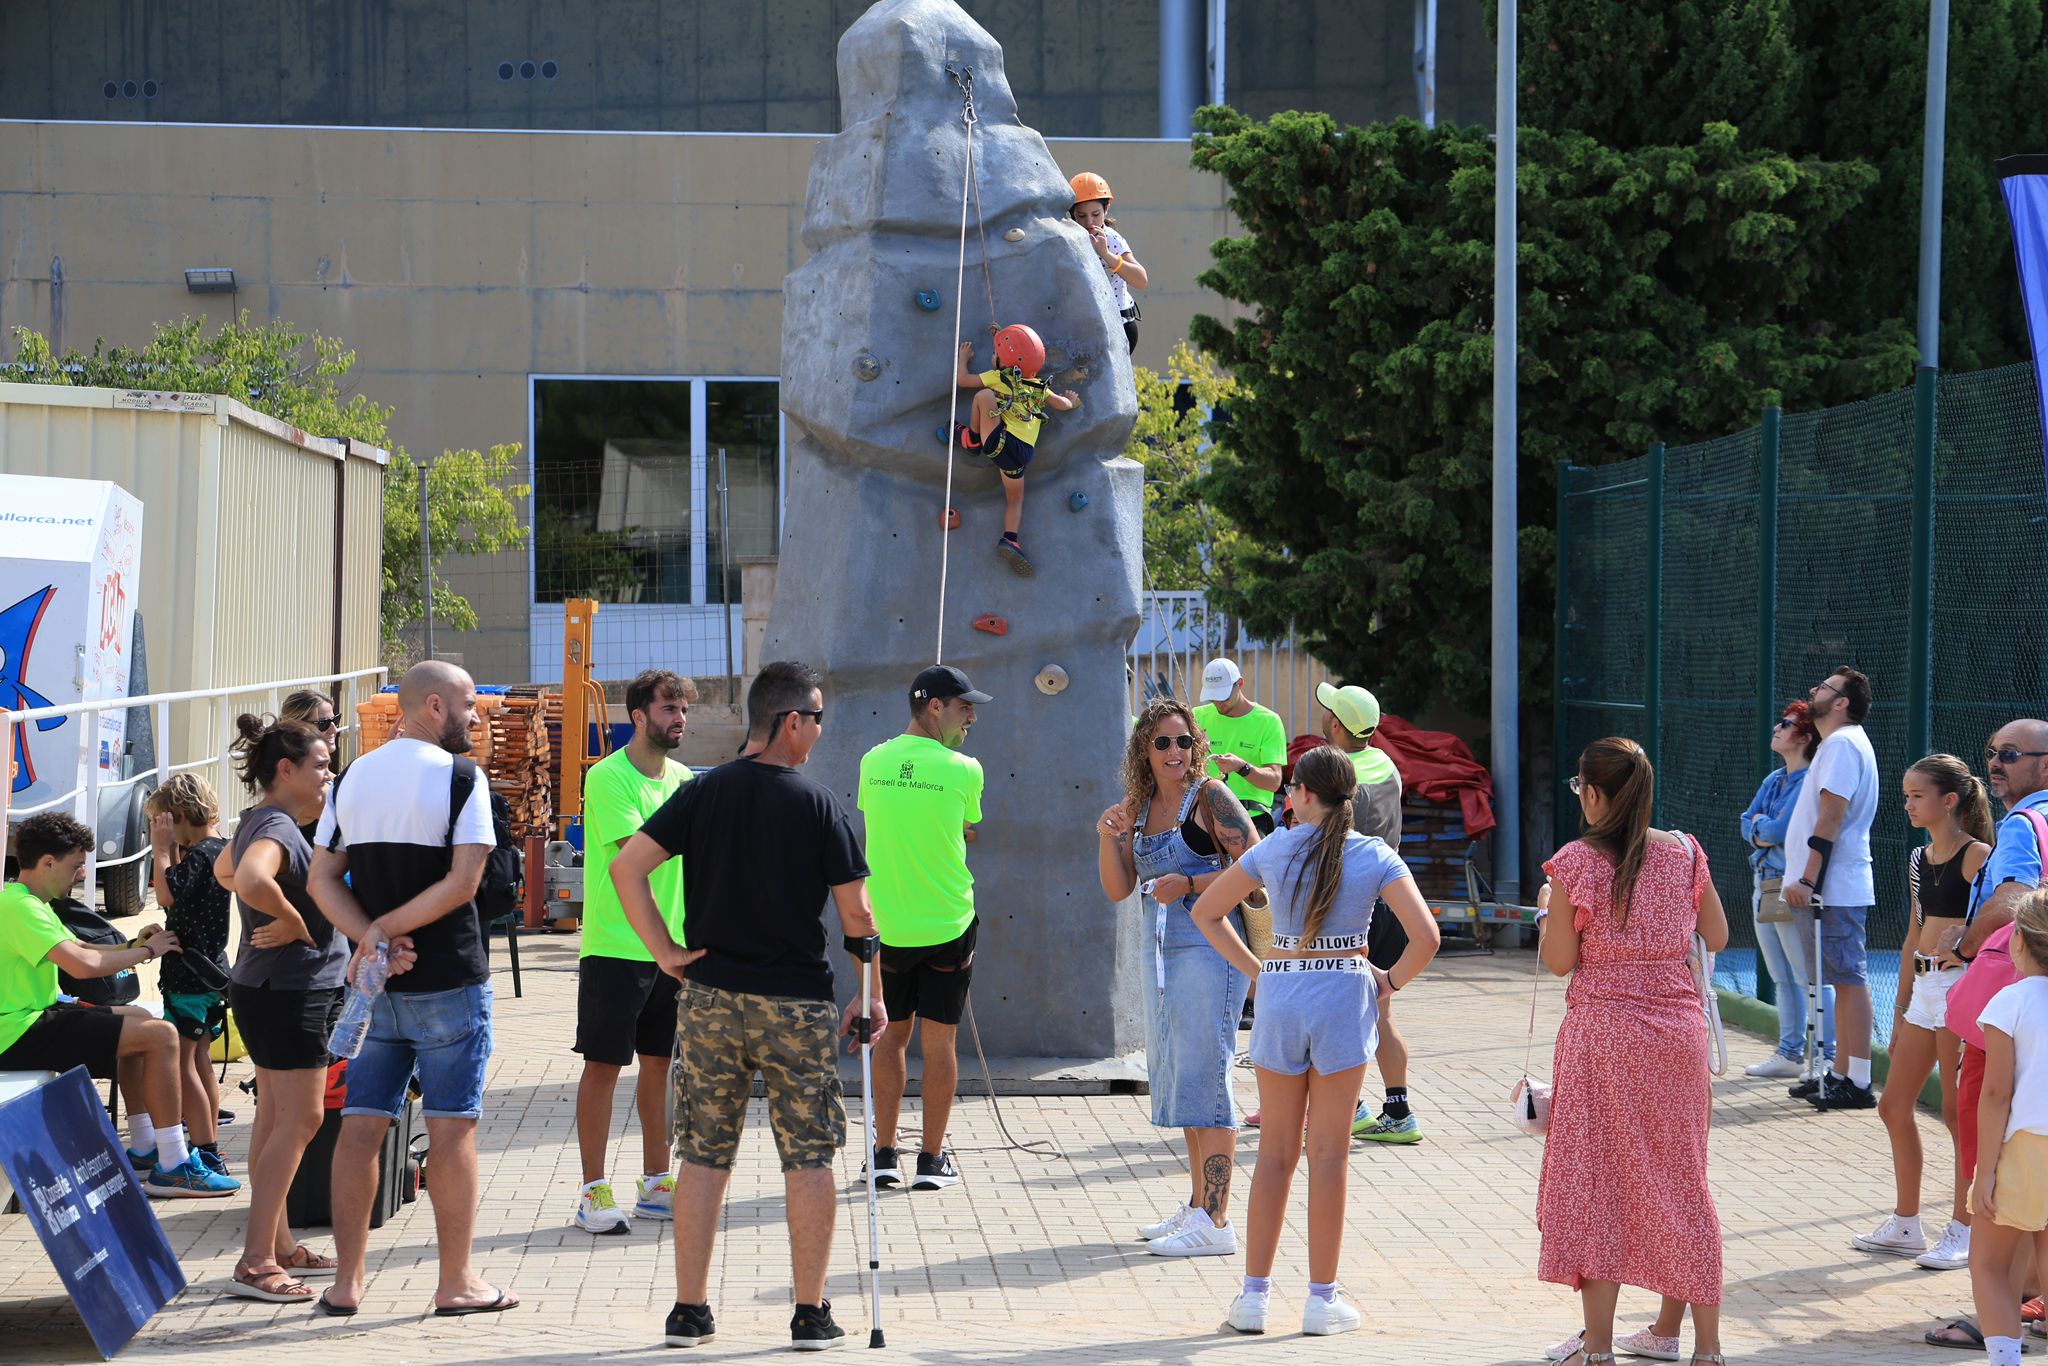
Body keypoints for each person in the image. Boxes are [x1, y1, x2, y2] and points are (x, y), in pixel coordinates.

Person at [608, 660, 883, 1351]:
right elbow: (858, 916)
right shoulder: (820, 806)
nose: (820, 731)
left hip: (709, 999)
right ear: (792, 723)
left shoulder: (704, 795)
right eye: (817, 718)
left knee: (703, 1153)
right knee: (809, 1155)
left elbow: (625, 867)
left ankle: (690, 1311)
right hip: (795, 1005)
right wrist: (869, 996)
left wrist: (665, 951)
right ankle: (811, 1314)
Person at [1192, 746, 1440, 1336]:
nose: (1286, 797)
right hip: (1342, 996)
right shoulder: (1374, 853)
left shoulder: (1275, 846)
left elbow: (1207, 912)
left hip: (1281, 993)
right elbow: (1425, 936)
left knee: (1276, 1155)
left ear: (1303, 794)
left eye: (1292, 789)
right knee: (1330, 1156)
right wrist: (1388, 982)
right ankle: (1320, 1300)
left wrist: (1259, 972)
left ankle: (1253, 1298)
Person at [309, 660, 513, 1318]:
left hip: (377, 989)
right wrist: (387, 932)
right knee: (452, 1132)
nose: (477, 718)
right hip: (448, 983)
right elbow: (464, 883)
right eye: (470, 706)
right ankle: (456, 1282)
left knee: (360, 1129)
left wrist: (372, 939)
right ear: (434, 705)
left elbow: (321, 882)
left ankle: (346, 1283)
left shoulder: (353, 776)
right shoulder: (461, 778)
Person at [1537, 738, 1729, 1366]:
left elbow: (1561, 960)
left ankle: (1597, 1351)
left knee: (1598, 1187)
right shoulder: (1685, 852)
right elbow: (1718, 936)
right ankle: (1707, 1350)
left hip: (1603, 1039)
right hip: (1677, 1036)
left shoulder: (1576, 864)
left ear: (1593, 792)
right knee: (1683, 1183)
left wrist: (1550, 918)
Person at [1096, 698, 1262, 1258]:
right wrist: (1108, 836)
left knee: (1208, 1078)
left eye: (1183, 741)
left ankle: (1216, 1221)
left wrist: (1189, 886)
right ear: (1144, 749)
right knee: (1182, 1076)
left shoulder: (1210, 797)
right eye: (1162, 742)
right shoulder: (1138, 806)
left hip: (1210, 950)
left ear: (1198, 746)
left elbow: (1257, 873)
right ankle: (1198, 1206)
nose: (1174, 752)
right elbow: (1119, 889)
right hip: (1160, 952)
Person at [0, 812, 236, 1196]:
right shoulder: (20, 907)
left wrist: (132, 945)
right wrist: (146, 951)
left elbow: (80, 947)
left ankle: (144, 1148)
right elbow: (84, 965)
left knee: (141, 1018)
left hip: (32, 1020)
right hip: (15, 1032)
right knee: (161, 1036)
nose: (79, 875)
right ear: (47, 863)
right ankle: (174, 1164)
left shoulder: (29, 901)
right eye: (75, 866)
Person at [220, 714, 357, 1301]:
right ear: (286, 769)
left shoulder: (259, 819)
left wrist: (277, 910)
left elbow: (227, 869)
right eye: (321, 766)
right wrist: (293, 918)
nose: (329, 776)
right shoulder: (275, 822)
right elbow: (247, 877)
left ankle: (277, 1244)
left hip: (267, 990)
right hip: (290, 992)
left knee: (276, 1119)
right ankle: (255, 1261)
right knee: (302, 1120)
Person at [1851, 754, 1993, 1271]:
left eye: (1917, 795)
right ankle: (1907, 1225)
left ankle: (1965, 1227)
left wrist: (1964, 958)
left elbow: (1992, 926)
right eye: (1907, 794)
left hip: (1961, 989)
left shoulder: (1979, 856)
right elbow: (1915, 932)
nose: (1908, 803)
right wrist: (1903, 1003)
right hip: (1925, 991)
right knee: (1893, 1105)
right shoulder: (1918, 857)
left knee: (1959, 1116)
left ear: (1949, 800)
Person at [571, 668, 696, 1235]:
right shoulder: (608, 778)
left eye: (684, 710)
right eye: (669, 709)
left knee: (660, 1066)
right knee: (603, 1067)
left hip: (671, 949)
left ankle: (655, 1182)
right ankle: (594, 1192)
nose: (679, 719)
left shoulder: (687, 779)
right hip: (615, 947)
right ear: (638, 716)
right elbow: (638, 854)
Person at [857, 664, 991, 1193]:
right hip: (947, 924)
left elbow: (883, 820)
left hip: (885, 928)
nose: (972, 717)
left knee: (889, 1042)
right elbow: (968, 825)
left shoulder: (872, 761)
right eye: (964, 707)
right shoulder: (965, 768)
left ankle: (884, 1156)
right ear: (934, 706)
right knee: (940, 1046)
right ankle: (931, 1161)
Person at [1313, 681, 1423, 1144]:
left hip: (1350, 908)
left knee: (1332, 1013)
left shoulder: (1335, 776)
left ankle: (1348, 1110)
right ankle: (1398, 1112)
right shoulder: (1388, 766)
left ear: (1336, 724)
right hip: (1393, 903)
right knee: (1380, 1011)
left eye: (1327, 712)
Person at [1782, 666, 1881, 1110]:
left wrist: (1808, 878)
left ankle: (1858, 1081)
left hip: (1832, 886)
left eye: (1823, 687)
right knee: (1839, 980)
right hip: (1829, 884)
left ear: (1842, 702)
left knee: (1848, 979)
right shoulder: (1836, 745)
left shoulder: (1842, 743)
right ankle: (1841, 1071)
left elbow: (1832, 817)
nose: (1813, 690)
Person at [1970, 891, 2048, 1366]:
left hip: (2023, 1148)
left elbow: (1996, 1093)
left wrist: (1985, 1171)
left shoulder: (2009, 1001)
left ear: (2018, 941)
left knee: (1991, 1266)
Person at [144, 773, 233, 1174]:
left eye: (166, 823)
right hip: (211, 974)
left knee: (183, 1064)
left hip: (188, 980)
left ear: (177, 816)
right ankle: (209, 1143)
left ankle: (204, 1148)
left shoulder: (197, 856)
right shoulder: (220, 850)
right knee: (200, 1062)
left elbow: (166, 894)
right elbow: (183, 902)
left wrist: (160, 849)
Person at [1739, 700, 1831, 1080]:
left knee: (1808, 975)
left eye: (1786, 724)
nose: (1777, 728)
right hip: (1764, 883)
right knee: (1781, 976)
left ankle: (1826, 1057)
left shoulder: (1810, 782)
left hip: (1790, 885)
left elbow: (1779, 831)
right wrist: (1761, 828)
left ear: (1805, 736)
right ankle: (1789, 1054)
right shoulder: (1773, 780)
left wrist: (1761, 829)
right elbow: (1746, 821)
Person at [952, 325, 1079, 577]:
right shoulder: (1038, 387)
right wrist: (1072, 400)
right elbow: (1063, 405)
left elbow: (963, 380)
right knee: (1015, 498)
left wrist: (962, 359)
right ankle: (1011, 539)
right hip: (1020, 457)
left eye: (995, 354)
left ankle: (973, 439)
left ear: (1003, 363)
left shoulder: (999, 378)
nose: (992, 357)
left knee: (985, 397)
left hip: (998, 443)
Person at [1193, 657, 1286, 836]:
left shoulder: (1268, 721)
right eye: (1213, 697)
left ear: (1240, 683)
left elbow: (1274, 782)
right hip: (1204, 817)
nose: (1219, 703)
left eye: (1224, 696)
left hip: (1251, 819)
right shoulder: (1196, 716)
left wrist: (1242, 767)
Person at [1068, 171, 1147, 353]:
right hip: (1091, 325)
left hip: (1119, 325)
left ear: (1106, 208)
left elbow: (1141, 280)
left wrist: (1107, 254)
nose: (1089, 222)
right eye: (1081, 216)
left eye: (1095, 214)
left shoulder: (1111, 239)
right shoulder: (1073, 238)